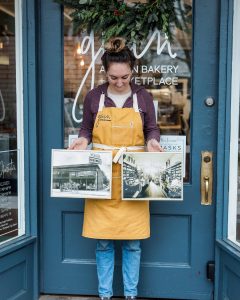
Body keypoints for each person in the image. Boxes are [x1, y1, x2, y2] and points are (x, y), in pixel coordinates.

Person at [69, 37, 162, 300]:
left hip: (134, 173)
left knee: (133, 244)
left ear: (132, 71)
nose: (120, 82)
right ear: (105, 73)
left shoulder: (143, 97)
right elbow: (86, 128)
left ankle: (130, 295)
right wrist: (82, 140)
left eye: (125, 77)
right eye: (113, 78)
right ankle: (105, 295)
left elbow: (151, 128)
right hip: (102, 174)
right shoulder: (94, 97)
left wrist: (153, 141)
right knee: (103, 242)